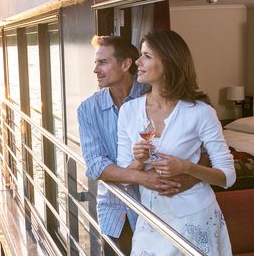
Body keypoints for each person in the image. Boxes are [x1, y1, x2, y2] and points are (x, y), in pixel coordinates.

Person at [77, 35, 205, 255]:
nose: (95, 70)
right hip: (116, 209)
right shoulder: (88, 110)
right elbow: (97, 165)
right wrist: (144, 178)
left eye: (103, 62)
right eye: (95, 63)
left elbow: (205, 153)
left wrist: (186, 181)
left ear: (126, 64)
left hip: (167, 206)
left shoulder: (157, 96)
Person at [117, 30, 236, 255]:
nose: (138, 62)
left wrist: (187, 167)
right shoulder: (129, 112)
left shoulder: (200, 113)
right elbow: (124, 176)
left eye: (147, 56)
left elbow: (228, 176)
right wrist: (138, 162)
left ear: (169, 62)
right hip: (151, 220)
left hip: (195, 218)